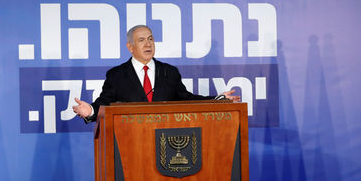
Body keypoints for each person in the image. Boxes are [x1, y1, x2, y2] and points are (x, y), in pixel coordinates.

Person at [72, 25, 239, 122]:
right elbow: (105, 103)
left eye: (150, 39)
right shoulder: (117, 75)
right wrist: (91, 111)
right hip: (132, 143)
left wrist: (217, 100)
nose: (148, 44)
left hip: (166, 142)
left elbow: (187, 99)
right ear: (130, 47)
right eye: (141, 40)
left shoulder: (169, 72)